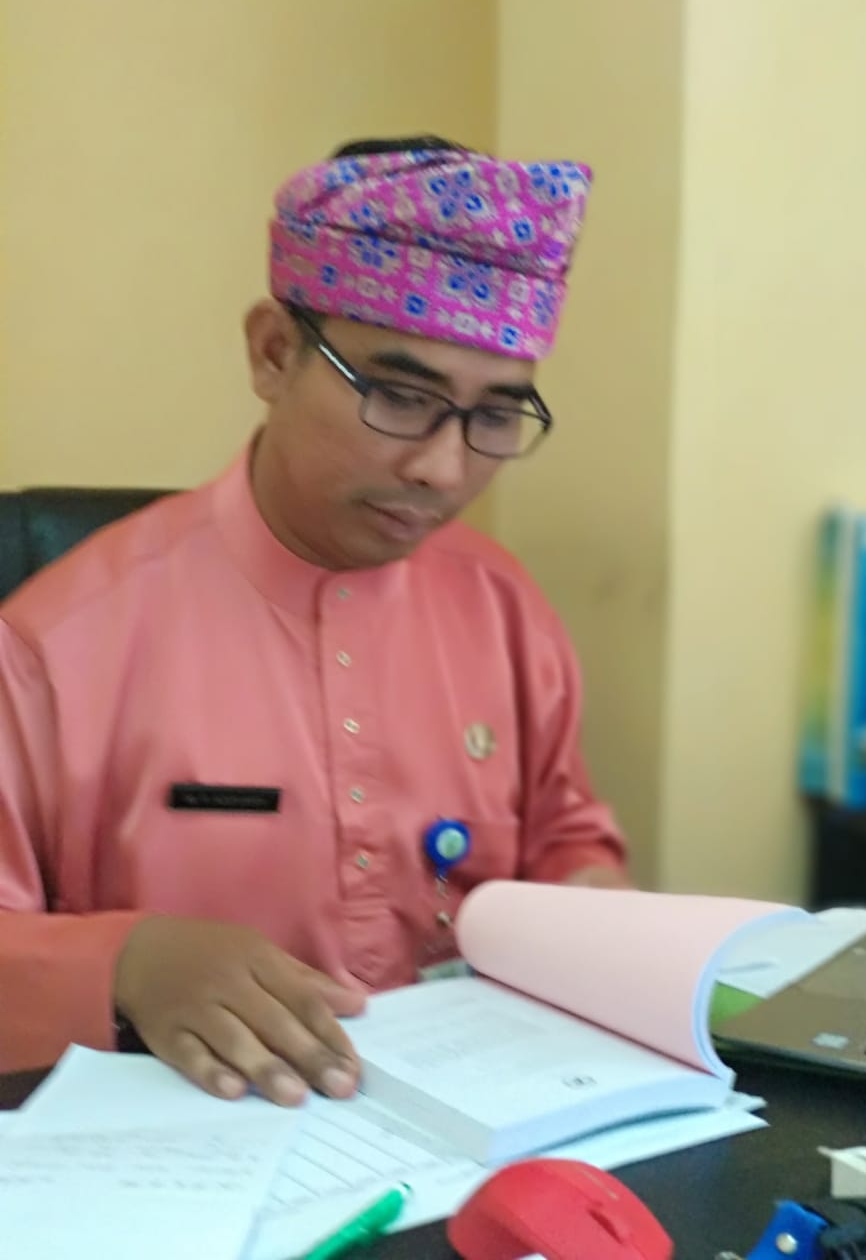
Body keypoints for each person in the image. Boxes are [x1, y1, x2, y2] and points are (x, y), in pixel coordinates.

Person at [0, 136, 629, 1106]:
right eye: (400, 397)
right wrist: (124, 961)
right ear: (272, 352)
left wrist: (592, 900)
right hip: (185, 1143)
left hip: (483, 1124)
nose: (443, 471)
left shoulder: (500, 602)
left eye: (495, 416)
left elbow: (566, 833)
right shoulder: (57, 642)